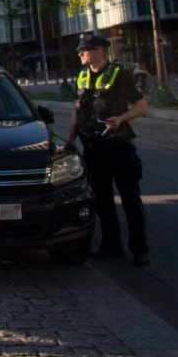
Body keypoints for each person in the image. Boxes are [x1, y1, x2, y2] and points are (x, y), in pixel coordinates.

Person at [68, 33, 149, 267]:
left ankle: (139, 248)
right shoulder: (81, 77)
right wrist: (72, 140)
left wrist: (122, 118)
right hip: (93, 147)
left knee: (129, 197)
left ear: (100, 51)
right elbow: (77, 110)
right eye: (80, 50)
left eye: (85, 49)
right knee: (102, 199)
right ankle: (111, 245)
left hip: (118, 144)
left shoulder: (118, 74)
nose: (80, 53)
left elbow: (142, 106)